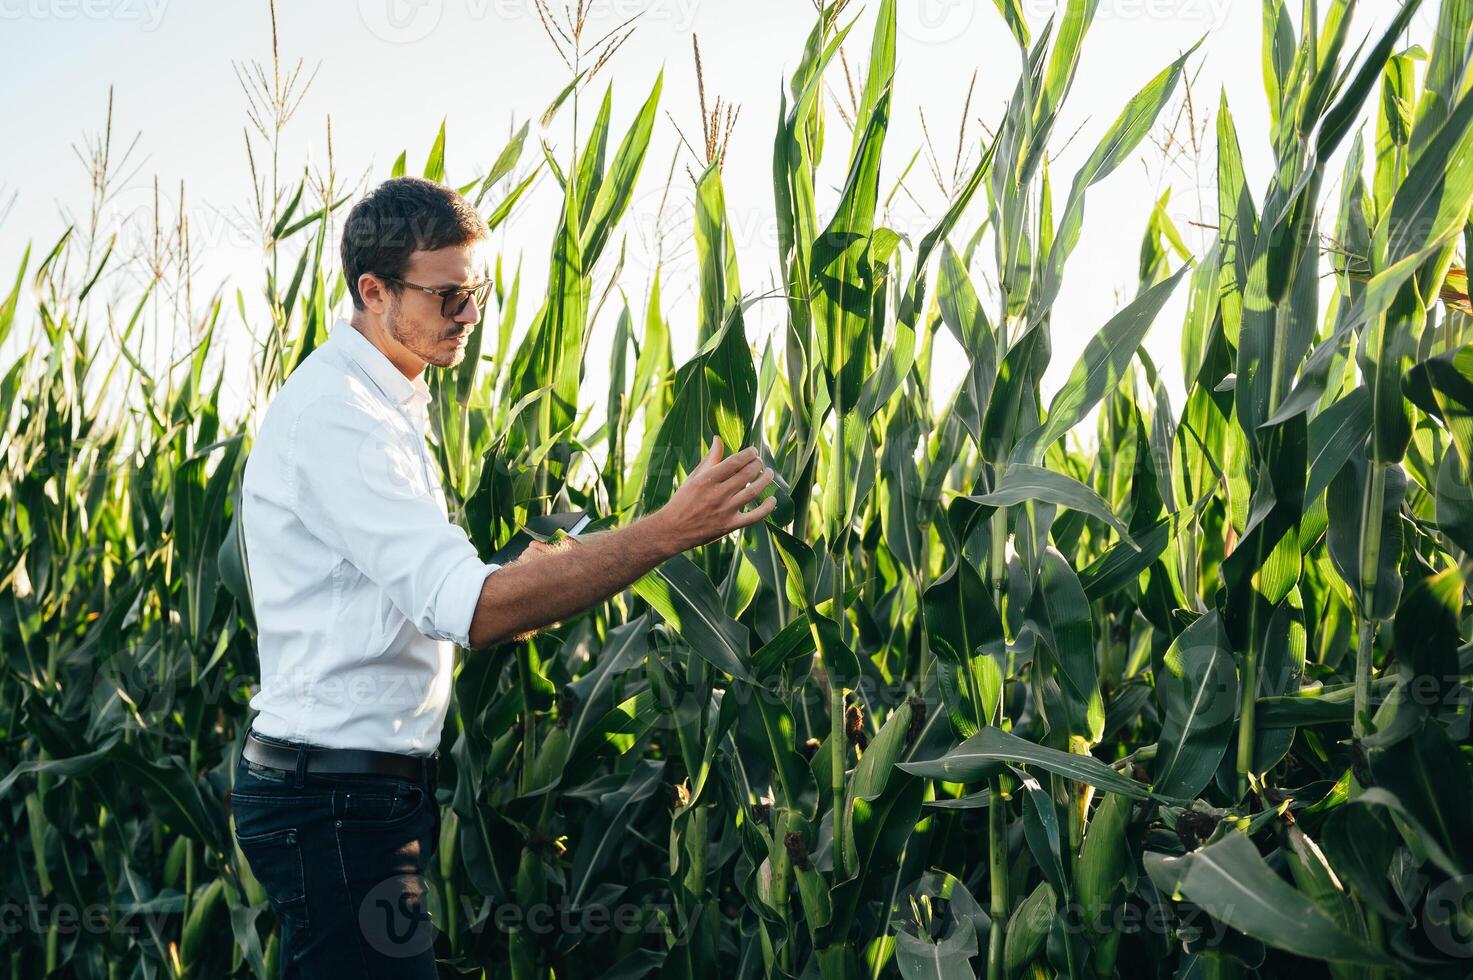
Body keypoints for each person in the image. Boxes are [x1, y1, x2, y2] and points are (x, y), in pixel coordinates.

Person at [230, 175, 775, 978]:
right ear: (373, 291)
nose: (469, 315)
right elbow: (473, 614)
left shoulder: (381, 402)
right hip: (336, 804)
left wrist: (520, 580)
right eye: (446, 295)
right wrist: (666, 531)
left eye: (476, 290)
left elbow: (423, 599)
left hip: (351, 791)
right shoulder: (342, 419)